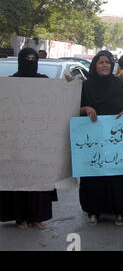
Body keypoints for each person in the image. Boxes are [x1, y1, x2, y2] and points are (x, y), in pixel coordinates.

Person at [79, 50, 123, 226]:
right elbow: (75, 106)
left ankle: (118, 211)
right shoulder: (87, 85)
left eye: (108, 62)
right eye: (101, 62)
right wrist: (86, 109)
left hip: (116, 138)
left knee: (117, 175)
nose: (105, 65)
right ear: (95, 65)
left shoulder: (118, 85)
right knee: (94, 175)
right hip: (93, 137)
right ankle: (93, 211)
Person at [0, 48, 57, 229]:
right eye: (27, 59)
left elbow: (55, 102)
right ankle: (20, 218)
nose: (30, 62)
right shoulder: (10, 83)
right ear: (20, 60)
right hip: (16, 140)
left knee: (38, 178)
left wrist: (69, 85)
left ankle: (37, 217)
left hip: (39, 140)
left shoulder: (44, 82)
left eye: (34, 59)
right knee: (19, 177)